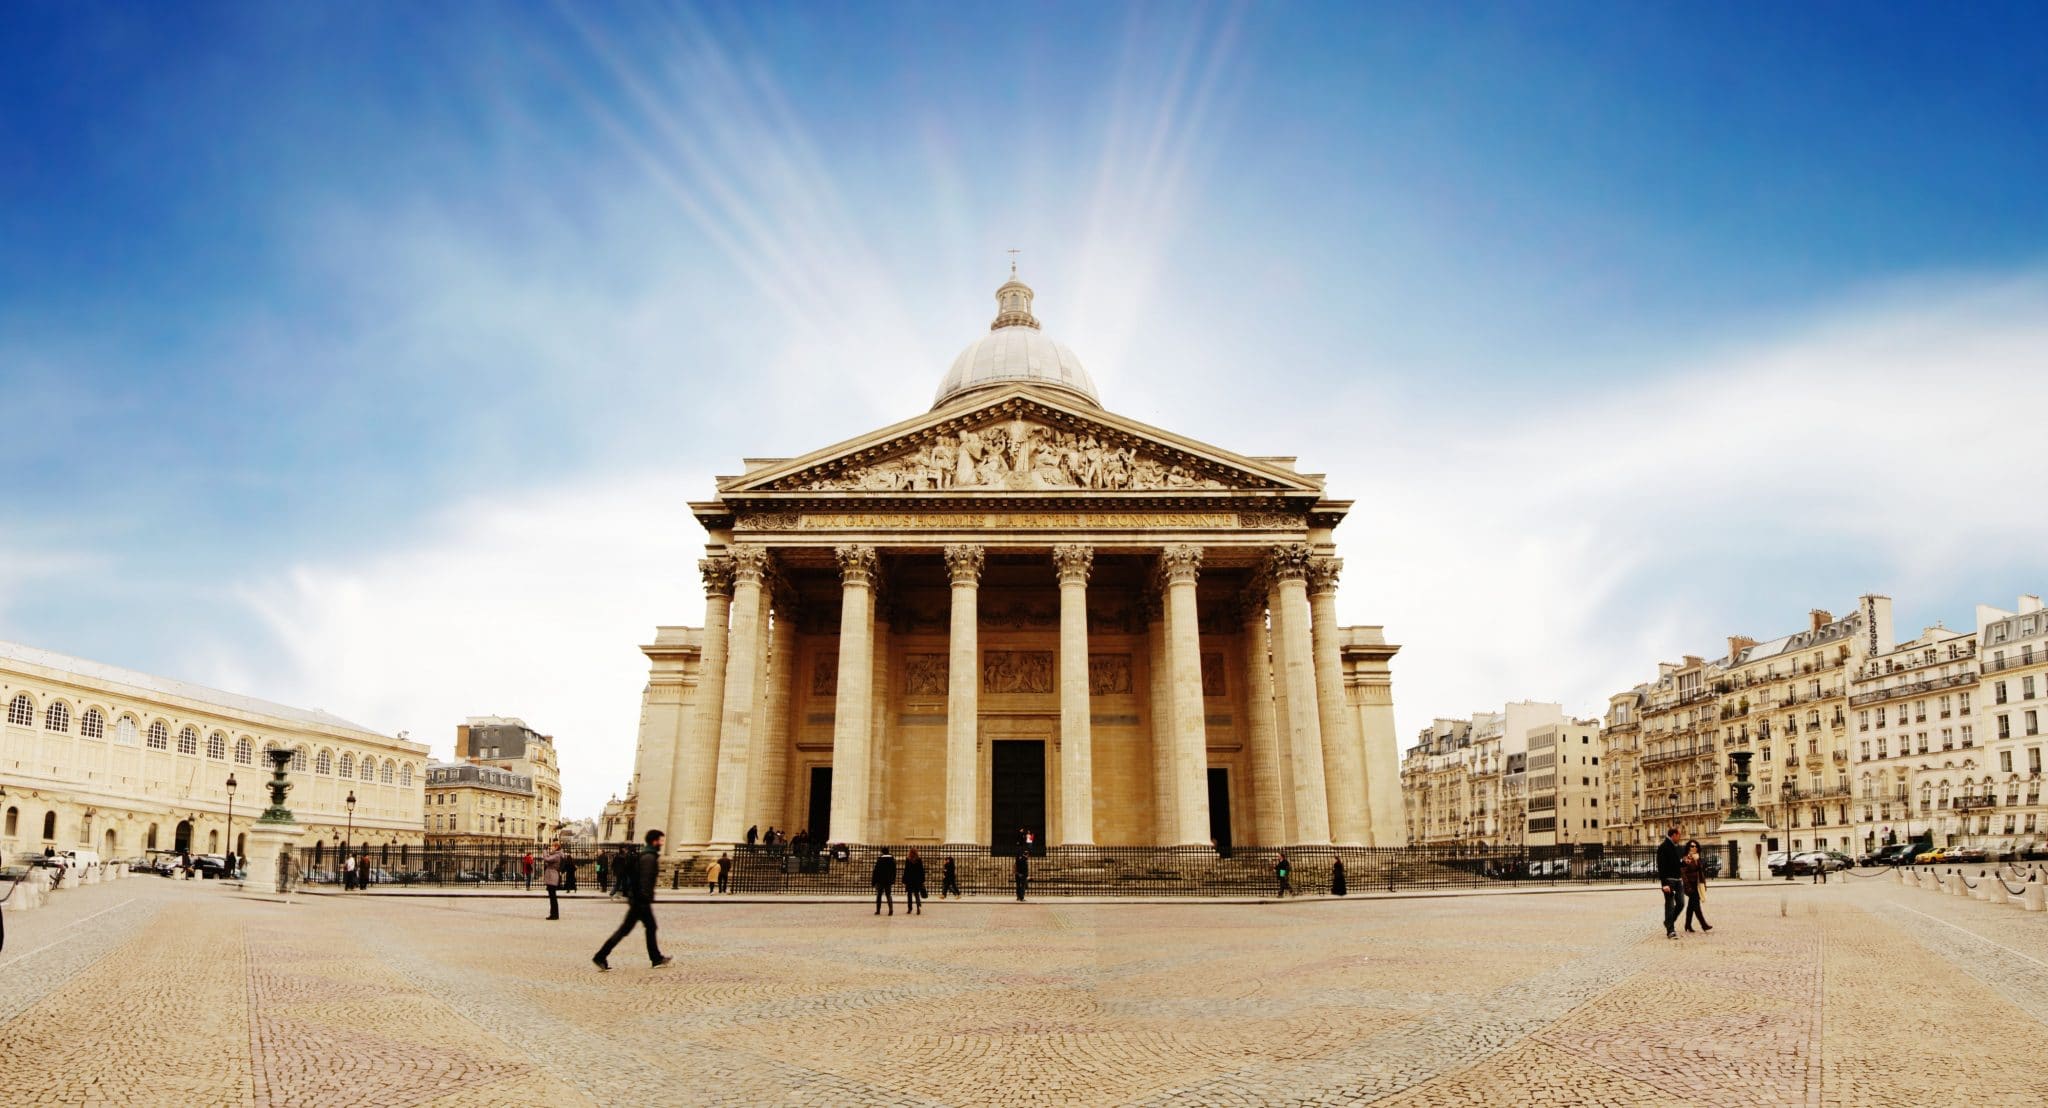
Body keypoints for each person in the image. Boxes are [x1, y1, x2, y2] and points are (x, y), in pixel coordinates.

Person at [594, 829, 671, 972]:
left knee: (634, 929)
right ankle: (655, 958)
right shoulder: (649, 857)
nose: (662, 842)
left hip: (638, 900)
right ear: (654, 841)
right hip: (641, 901)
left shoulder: (647, 855)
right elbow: (646, 880)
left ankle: (655, 958)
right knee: (639, 929)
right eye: (660, 840)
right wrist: (644, 899)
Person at [1656, 826, 1685, 940]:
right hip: (1668, 880)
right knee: (1670, 905)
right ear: (1673, 835)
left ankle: (1668, 921)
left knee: (1681, 903)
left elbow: (1678, 864)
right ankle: (1670, 930)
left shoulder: (1677, 847)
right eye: (1679, 835)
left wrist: (1685, 863)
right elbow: (1661, 866)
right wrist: (1664, 884)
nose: (1680, 837)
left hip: (1678, 880)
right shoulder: (1663, 847)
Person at [1681, 841, 1712, 933]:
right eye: (1692, 846)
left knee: (1691, 906)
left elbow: (1700, 872)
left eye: (1696, 846)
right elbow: (1683, 873)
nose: (1694, 848)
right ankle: (1704, 924)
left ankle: (1687, 924)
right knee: (1696, 906)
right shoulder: (1686, 858)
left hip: (1697, 884)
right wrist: (1687, 886)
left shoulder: (1697, 858)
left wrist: (1703, 884)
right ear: (1688, 848)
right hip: (1690, 885)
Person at [542, 840, 566, 920]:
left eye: (552, 846)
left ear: (556, 847)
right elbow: (548, 861)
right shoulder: (556, 855)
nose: (550, 848)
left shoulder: (557, 855)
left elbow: (546, 859)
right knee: (552, 897)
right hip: (552, 876)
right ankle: (554, 914)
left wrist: (544, 850)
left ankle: (554, 915)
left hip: (552, 876)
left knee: (553, 897)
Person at [872, 847, 897, 915]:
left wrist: (874, 881)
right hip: (888, 880)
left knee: (879, 895)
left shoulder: (880, 860)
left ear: (882, 852)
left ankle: (878, 911)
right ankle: (891, 909)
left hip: (880, 880)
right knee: (888, 895)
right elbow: (894, 871)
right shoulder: (892, 860)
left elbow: (876, 871)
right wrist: (893, 879)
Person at [903, 848, 926, 915]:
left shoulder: (908, 860)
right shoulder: (919, 860)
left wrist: (904, 880)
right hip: (917, 880)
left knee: (909, 895)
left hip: (909, 880)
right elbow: (921, 871)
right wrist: (922, 880)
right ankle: (918, 908)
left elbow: (906, 870)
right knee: (916, 894)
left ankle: (909, 909)